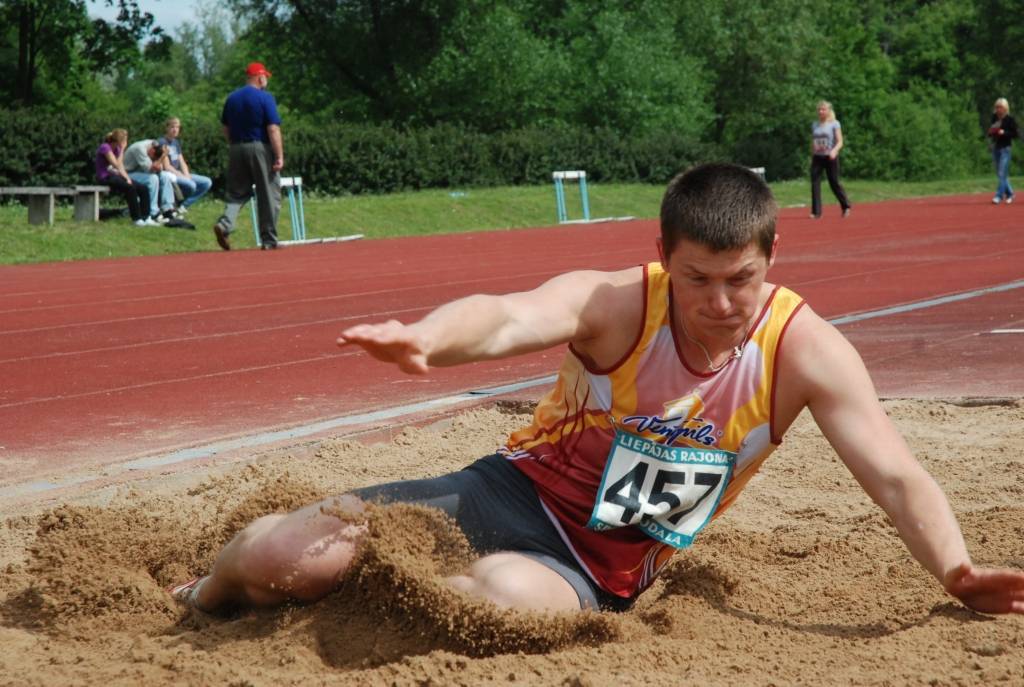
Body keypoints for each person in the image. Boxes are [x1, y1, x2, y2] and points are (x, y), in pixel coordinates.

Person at [170, 163, 1024, 617]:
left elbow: (894, 473)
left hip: (596, 564)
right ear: (663, 255)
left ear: (772, 259)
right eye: (699, 280)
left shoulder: (804, 349)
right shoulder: (621, 304)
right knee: (276, 557)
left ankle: (362, 601)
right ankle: (202, 596)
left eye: (743, 279)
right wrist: (430, 337)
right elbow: (511, 314)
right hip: (500, 489)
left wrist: (954, 566)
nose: (723, 305)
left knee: (492, 602)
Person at [212, 61, 284, 251]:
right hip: (259, 147)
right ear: (260, 77)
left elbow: (225, 128)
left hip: (236, 148)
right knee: (268, 194)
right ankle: (268, 240)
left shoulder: (232, 98)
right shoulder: (265, 98)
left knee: (236, 192)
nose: (266, 80)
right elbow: (273, 128)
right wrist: (279, 155)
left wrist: (234, 145)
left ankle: (225, 224)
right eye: (265, 77)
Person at [94, 129, 152, 226]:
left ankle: (146, 217)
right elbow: (116, 164)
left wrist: (127, 178)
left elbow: (121, 167)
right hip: (104, 177)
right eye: (125, 139)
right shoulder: (105, 147)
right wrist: (122, 150)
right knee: (130, 188)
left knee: (143, 188)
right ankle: (136, 219)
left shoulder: (116, 149)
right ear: (119, 140)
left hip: (113, 175)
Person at [158, 117, 213, 213]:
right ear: (167, 128)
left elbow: (182, 161)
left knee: (206, 182)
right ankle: (175, 204)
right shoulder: (162, 142)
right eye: (172, 127)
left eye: (177, 127)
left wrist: (186, 174)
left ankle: (183, 206)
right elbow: (167, 167)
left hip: (179, 173)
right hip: (170, 175)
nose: (175, 130)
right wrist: (183, 176)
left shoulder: (176, 142)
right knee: (191, 185)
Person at [810, 100, 852, 219]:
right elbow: (813, 141)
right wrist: (813, 152)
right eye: (819, 109)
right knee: (815, 183)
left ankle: (846, 206)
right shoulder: (814, 124)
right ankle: (816, 212)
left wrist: (834, 151)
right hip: (817, 157)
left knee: (834, 182)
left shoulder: (834, 124)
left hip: (830, 156)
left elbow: (840, 141)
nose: (820, 111)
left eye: (823, 109)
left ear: (828, 111)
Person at [123, 138, 179, 224]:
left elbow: (159, 169)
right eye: (153, 158)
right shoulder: (140, 149)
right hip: (127, 173)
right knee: (153, 178)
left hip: (140, 172)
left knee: (164, 176)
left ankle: (168, 209)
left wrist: (159, 160)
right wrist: (163, 157)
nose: (153, 159)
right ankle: (153, 212)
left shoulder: (155, 145)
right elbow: (152, 169)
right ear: (152, 151)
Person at [988, 97, 1018, 205]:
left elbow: (1015, 134)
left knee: (1002, 172)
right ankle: (1010, 193)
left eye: (1000, 107)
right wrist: (992, 133)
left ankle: (998, 196)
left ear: (1005, 108)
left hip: (1006, 148)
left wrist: (1004, 132)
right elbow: (991, 131)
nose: (998, 109)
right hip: (996, 147)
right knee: (1000, 174)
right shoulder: (994, 118)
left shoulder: (1010, 119)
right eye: (996, 107)